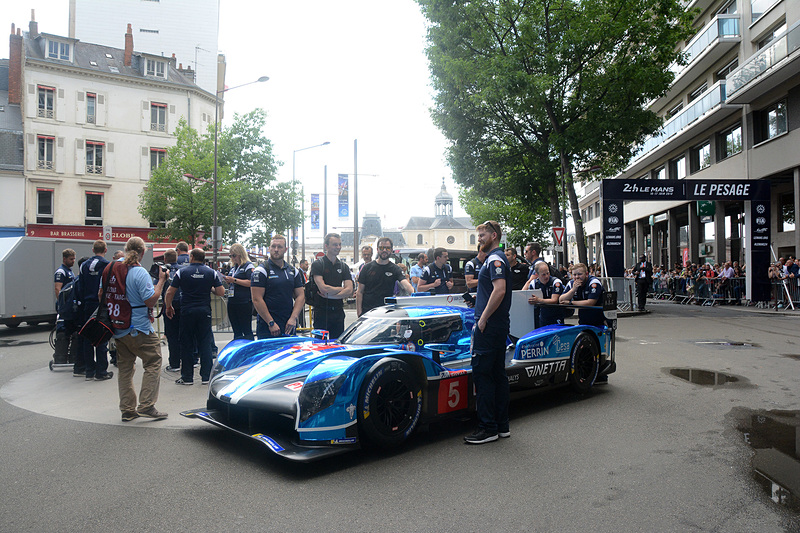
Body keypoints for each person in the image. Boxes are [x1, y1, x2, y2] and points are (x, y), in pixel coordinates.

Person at [104, 237, 168, 421]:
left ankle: (127, 409)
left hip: (118, 326)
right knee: (154, 360)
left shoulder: (111, 269)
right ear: (142, 252)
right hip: (138, 326)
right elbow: (150, 300)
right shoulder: (139, 273)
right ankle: (146, 405)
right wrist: (161, 281)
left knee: (125, 368)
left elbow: (102, 294)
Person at [465, 221, 511, 445]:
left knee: (483, 375)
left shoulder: (494, 259)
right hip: (498, 325)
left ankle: (487, 428)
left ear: (494, 236)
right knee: (497, 374)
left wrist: (482, 318)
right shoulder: (497, 258)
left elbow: (499, 290)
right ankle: (501, 426)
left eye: (482, 235)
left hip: (489, 326)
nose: (479, 239)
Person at [165, 248, 224, 385]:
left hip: (187, 310)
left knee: (187, 343)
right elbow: (221, 292)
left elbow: (170, 291)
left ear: (191, 257)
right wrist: (210, 288)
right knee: (205, 343)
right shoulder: (211, 272)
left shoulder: (182, 272)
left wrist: (169, 306)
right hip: (204, 311)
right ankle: (206, 376)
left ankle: (187, 377)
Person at [251, 235, 305, 338]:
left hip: (288, 325)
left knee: (289, 353)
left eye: (279, 247)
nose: (276, 250)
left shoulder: (293, 271)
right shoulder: (261, 271)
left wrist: (293, 318)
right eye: (273, 246)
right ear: (269, 248)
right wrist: (270, 322)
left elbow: (301, 296)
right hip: (267, 326)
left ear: (285, 249)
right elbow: (256, 299)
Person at [77, 240, 112, 380]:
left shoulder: (84, 265)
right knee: (101, 337)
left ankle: (89, 370)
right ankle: (101, 371)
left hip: (86, 303)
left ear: (92, 250)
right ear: (106, 249)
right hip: (100, 304)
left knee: (87, 336)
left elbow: (80, 285)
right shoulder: (107, 265)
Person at [310, 233, 354, 339]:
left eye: (339, 244)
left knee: (337, 345)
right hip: (321, 312)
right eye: (335, 245)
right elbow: (323, 289)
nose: (338, 247)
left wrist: (331, 295)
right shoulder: (318, 264)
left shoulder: (343, 266)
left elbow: (350, 290)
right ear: (326, 246)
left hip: (338, 313)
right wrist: (341, 289)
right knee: (319, 345)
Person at [357, 237, 413, 316]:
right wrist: (359, 312)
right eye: (381, 248)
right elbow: (359, 292)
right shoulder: (367, 268)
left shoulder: (395, 269)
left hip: (386, 312)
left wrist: (415, 295)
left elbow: (406, 285)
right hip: (368, 312)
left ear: (391, 250)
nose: (384, 250)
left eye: (387, 248)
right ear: (377, 249)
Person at [53, 248, 82, 374]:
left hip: (70, 308)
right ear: (64, 259)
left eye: (74, 259)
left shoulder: (69, 272)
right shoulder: (61, 272)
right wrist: (63, 305)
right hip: (65, 308)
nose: (73, 261)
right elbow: (58, 290)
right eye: (71, 259)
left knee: (75, 333)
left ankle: (73, 357)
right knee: (63, 333)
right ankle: (60, 358)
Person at [223, 243, 255, 340]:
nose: (232, 258)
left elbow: (251, 282)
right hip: (233, 301)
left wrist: (235, 280)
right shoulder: (234, 268)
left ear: (240, 254)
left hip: (244, 302)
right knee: (236, 330)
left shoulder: (248, 266)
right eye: (230, 256)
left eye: (234, 255)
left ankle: (249, 350)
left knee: (246, 330)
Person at [560, 263, 605, 327]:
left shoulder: (594, 282)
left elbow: (590, 302)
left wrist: (571, 303)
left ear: (586, 274)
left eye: (580, 274)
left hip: (599, 320)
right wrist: (573, 290)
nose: (577, 277)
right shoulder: (571, 283)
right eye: (574, 275)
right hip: (583, 319)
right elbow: (561, 299)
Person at [161, 250, 184, 373]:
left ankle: (174, 363)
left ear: (165, 259)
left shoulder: (163, 271)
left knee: (172, 335)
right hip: (182, 304)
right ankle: (186, 361)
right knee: (184, 334)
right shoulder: (183, 270)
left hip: (169, 305)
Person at [527, 261, 565, 327]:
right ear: (537, 275)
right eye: (543, 274)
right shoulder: (533, 284)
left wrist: (539, 300)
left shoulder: (556, 282)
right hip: (541, 317)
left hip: (555, 315)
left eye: (548, 273)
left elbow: (554, 300)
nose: (546, 276)